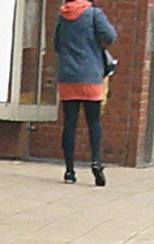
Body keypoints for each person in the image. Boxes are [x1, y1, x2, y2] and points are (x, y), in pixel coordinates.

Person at [54, 0, 115, 185]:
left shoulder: (62, 15)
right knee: (94, 123)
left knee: (69, 124)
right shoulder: (94, 14)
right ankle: (96, 163)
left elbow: (56, 45)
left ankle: (69, 171)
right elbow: (110, 36)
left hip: (67, 77)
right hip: (90, 76)